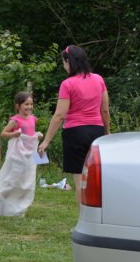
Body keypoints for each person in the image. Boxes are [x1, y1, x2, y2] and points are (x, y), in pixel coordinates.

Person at [38, 45, 110, 206]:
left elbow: (59, 115)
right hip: (96, 131)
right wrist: (107, 132)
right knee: (95, 180)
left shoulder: (67, 84)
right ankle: (97, 220)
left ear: (68, 61)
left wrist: (46, 140)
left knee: (80, 181)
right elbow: (104, 110)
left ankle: (84, 222)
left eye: (64, 62)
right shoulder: (99, 79)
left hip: (75, 133)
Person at [0, 92, 43, 216]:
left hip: (29, 157)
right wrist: (14, 134)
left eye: (31, 104)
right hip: (17, 156)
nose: (29, 107)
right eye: (26, 104)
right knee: (13, 181)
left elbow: (31, 134)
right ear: (18, 106)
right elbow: (3, 134)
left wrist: (38, 135)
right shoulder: (15, 121)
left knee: (26, 181)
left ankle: (17, 207)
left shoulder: (33, 118)